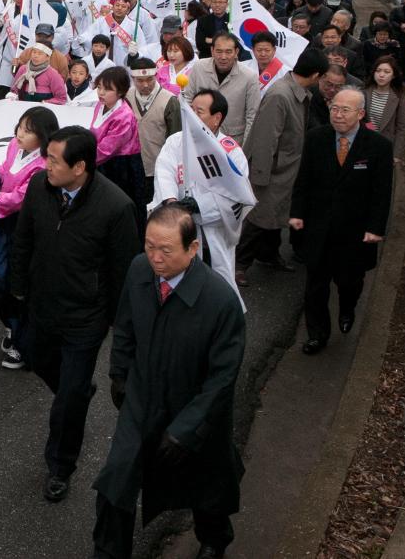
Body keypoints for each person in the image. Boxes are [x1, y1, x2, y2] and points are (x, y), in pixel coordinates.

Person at [92, 204, 246, 559]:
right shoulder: (138, 270)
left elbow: (222, 379)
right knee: (116, 482)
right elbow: (125, 325)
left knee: (205, 485)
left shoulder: (220, 303)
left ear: (192, 249)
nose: (155, 259)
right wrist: (119, 373)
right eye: (149, 246)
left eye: (166, 250)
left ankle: (214, 538)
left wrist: (186, 430)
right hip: (142, 399)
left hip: (193, 410)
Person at [9, 126, 140, 502]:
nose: (45, 164)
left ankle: (60, 467)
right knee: (37, 359)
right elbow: (24, 239)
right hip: (41, 306)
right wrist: (18, 286)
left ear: (79, 166)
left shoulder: (116, 207)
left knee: (68, 400)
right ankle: (78, 388)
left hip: (85, 317)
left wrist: (119, 324)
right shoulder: (39, 187)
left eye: (53, 159)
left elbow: (123, 271)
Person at [290, 88, 394, 355]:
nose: (337, 114)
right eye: (334, 108)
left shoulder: (378, 146)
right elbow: (304, 180)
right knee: (315, 285)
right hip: (319, 227)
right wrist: (297, 213)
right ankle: (317, 334)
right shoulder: (316, 138)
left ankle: (347, 309)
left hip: (355, 231)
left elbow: (381, 193)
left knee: (349, 282)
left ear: (360, 114)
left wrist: (375, 228)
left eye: (344, 110)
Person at [0, 106, 60, 371]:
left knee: (19, 283)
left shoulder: (43, 165)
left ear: (43, 136)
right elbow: (6, 169)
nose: (21, 133)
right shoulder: (13, 147)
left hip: (24, 227)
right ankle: (12, 325)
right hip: (2, 226)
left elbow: (20, 197)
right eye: (20, 126)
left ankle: (23, 340)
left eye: (29, 130)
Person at [154, 89, 252, 297]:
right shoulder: (176, 141)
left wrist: (198, 206)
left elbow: (236, 196)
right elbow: (164, 172)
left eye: (199, 112)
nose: (191, 115)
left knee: (213, 290)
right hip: (176, 229)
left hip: (211, 236)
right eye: (191, 109)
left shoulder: (231, 152)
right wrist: (172, 203)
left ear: (217, 118)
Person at [126, 57, 180, 225]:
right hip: (131, 167)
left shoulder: (169, 100)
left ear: (156, 76)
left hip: (157, 169)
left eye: (149, 79)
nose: (145, 85)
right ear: (133, 79)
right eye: (140, 81)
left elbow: (175, 139)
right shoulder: (126, 97)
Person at [182, 33, 260, 144]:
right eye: (219, 51)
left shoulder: (249, 76)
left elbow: (252, 116)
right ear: (212, 50)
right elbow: (188, 100)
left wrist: (245, 149)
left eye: (228, 52)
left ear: (236, 52)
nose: (223, 57)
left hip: (233, 140)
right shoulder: (199, 67)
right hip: (199, 135)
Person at [90, 67, 145, 215]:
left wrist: (85, 160)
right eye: (99, 87)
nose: (101, 92)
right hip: (101, 162)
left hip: (121, 167)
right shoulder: (100, 105)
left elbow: (107, 149)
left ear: (120, 92)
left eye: (107, 89)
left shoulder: (124, 116)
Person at [364, 56, 405, 159]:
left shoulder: (399, 95)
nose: (381, 75)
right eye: (378, 71)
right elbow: (361, 118)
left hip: (387, 145)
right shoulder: (365, 91)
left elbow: (402, 127)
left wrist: (396, 155)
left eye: (387, 72)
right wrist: (371, 129)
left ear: (393, 76)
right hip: (366, 142)